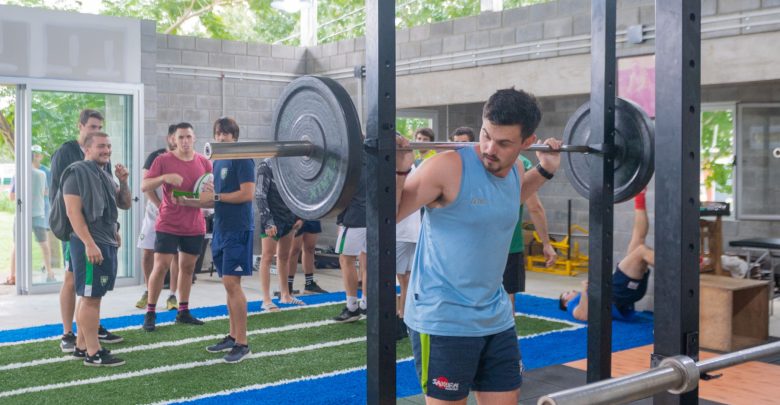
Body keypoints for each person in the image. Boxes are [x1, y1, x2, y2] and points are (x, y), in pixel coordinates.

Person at [395, 87, 561, 403]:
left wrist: (546, 169)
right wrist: (401, 168)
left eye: (503, 143)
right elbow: (388, 216)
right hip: (444, 317)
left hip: (495, 315)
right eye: (485, 135)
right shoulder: (445, 167)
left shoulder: (517, 168)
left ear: (527, 142)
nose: (488, 148)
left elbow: (507, 199)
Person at [50, 109, 122, 352]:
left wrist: (115, 228)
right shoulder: (66, 154)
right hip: (76, 229)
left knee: (89, 288)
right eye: (92, 127)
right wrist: (80, 236)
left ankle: (88, 330)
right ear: (80, 127)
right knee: (74, 281)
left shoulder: (103, 157)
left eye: (100, 126)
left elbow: (109, 195)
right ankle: (69, 333)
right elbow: (65, 199)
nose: (97, 131)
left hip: (100, 231)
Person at [62, 131, 131, 366]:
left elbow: (124, 204)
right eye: (101, 146)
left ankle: (82, 347)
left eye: (109, 146)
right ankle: (93, 353)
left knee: (92, 297)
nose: (107, 150)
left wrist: (123, 181)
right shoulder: (77, 173)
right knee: (91, 298)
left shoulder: (105, 175)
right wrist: (89, 243)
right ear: (87, 149)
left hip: (105, 242)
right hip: (90, 245)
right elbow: (73, 212)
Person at [194, 117, 255, 363]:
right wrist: (192, 201)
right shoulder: (217, 162)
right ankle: (232, 336)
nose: (221, 138)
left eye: (226, 134)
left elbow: (247, 193)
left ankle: (243, 343)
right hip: (221, 228)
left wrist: (216, 196)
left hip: (237, 230)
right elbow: (215, 197)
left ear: (234, 136)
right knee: (228, 285)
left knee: (233, 284)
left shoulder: (242, 158)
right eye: (218, 133)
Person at [141, 122, 212, 331]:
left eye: (188, 137)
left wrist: (205, 195)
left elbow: (209, 198)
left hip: (194, 225)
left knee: (187, 268)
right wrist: (164, 179)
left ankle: (183, 311)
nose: (185, 141)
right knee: (161, 266)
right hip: (168, 223)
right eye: (181, 137)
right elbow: (144, 186)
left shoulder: (204, 162)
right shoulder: (162, 160)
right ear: (174, 139)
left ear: (195, 138)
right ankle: (151, 313)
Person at [559, 191, 653, 322]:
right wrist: (585, 291)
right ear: (565, 302)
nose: (571, 292)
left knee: (638, 241)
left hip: (624, 292)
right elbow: (582, 316)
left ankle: (639, 196)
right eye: (567, 294)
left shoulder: (581, 298)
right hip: (617, 293)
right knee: (641, 251)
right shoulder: (572, 304)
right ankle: (678, 268)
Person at [504, 154, 557, 312]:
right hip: (499, 246)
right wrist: (546, 244)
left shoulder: (475, 159)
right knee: (506, 298)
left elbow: (535, 208)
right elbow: (535, 208)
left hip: (504, 245)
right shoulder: (519, 161)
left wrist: (546, 243)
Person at [135, 125, 179, 311]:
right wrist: (160, 205)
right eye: (177, 136)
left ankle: (172, 295)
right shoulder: (156, 157)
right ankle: (148, 289)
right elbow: (146, 185)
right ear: (170, 138)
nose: (181, 140)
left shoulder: (189, 158)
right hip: (155, 213)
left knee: (176, 255)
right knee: (147, 252)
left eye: (186, 137)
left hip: (177, 215)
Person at [255, 158, 305, 311]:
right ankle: (266, 299)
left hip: (288, 217)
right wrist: (268, 220)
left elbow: (298, 192)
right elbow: (260, 195)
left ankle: (285, 295)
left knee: (284, 257)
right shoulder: (266, 165)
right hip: (272, 217)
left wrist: (298, 215)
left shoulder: (292, 165)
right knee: (267, 257)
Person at [332, 154, 367, 323]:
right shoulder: (375, 158)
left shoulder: (348, 162)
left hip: (354, 219)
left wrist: (341, 220)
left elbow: (340, 193)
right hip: (374, 217)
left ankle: (352, 307)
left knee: (346, 260)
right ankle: (367, 304)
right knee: (367, 262)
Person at [31, 145, 55, 282]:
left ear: (41, 156)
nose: (36, 156)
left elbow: (48, 190)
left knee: (45, 238)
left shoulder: (46, 171)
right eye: (33, 153)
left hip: (44, 208)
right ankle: (45, 266)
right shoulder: (27, 170)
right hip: (35, 209)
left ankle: (47, 267)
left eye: (38, 154)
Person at [288, 220, 328, 294]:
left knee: (310, 248)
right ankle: (288, 286)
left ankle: (309, 284)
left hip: (311, 215)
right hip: (296, 214)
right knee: (294, 249)